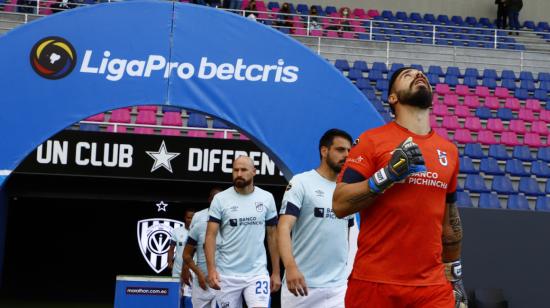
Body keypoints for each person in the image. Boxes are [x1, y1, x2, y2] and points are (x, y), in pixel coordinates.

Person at [333, 67, 467, 308]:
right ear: (392, 98)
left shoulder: (449, 151)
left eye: (422, 75)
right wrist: (388, 175)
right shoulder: (371, 140)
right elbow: (340, 204)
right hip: (374, 282)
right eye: (408, 75)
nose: (419, 75)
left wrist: (455, 278)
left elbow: (451, 223)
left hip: (432, 287)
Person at [278, 129, 354, 308]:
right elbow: (283, 228)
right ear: (324, 151)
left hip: (338, 288)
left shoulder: (347, 190)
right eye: (341, 150)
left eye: (349, 151)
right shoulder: (301, 182)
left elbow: (348, 236)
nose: (347, 155)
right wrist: (290, 267)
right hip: (301, 286)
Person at [205, 156, 281, 308]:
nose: (239, 173)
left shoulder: (267, 198)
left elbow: (273, 236)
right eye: (235, 170)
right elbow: (210, 236)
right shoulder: (220, 199)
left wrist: (276, 272)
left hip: (257, 273)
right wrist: (211, 270)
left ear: (254, 172)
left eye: (244, 170)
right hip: (226, 275)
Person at [183, 187, 223, 308]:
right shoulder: (199, 218)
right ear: (210, 199)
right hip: (203, 278)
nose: (218, 201)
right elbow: (189, 249)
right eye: (215, 198)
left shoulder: (230, 220)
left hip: (224, 280)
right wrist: (187, 270)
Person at [168, 209, 195, 308]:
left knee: (189, 297)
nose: (190, 220)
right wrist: (169, 261)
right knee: (176, 295)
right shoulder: (177, 231)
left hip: (191, 270)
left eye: (192, 218)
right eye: (188, 217)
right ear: (185, 218)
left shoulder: (198, 232)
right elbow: (171, 248)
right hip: (177, 269)